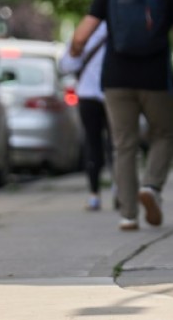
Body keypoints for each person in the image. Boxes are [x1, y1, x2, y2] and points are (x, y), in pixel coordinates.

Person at [71, 0, 173, 231]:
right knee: (165, 134)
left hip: (117, 79)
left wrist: (77, 50)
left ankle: (128, 215)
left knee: (123, 144)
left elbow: (82, 35)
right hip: (156, 78)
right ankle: (151, 186)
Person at [59, 21, 113, 211]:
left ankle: (94, 194)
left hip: (88, 95)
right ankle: (119, 190)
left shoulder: (83, 31)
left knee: (92, 142)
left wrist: (76, 49)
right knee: (118, 144)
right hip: (112, 94)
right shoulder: (118, 28)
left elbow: (66, 65)